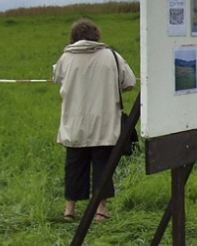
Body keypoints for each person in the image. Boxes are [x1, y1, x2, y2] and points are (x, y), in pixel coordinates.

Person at [53, 18, 136, 223]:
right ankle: (100, 211)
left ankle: (69, 210)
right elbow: (130, 82)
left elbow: (57, 78)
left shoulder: (66, 58)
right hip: (105, 122)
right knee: (103, 167)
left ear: (73, 37)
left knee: (74, 166)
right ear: (96, 35)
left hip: (75, 123)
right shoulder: (111, 57)